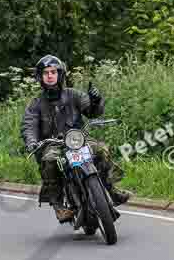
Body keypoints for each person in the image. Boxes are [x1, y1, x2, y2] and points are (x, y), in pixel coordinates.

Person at [20, 55, 131, 222]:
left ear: (60, 74)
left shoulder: (73, 95)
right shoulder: (36, 103)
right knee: (49, 161)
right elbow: (29, 125)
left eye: (53, 72)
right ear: (40, 77)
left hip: (79, 140)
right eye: (46, 73)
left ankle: (111, 190)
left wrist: (95, 101)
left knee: (101, 149)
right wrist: (31, 142)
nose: (50, 75)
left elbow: (92, 112)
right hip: (54, 145)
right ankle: (58, 206)